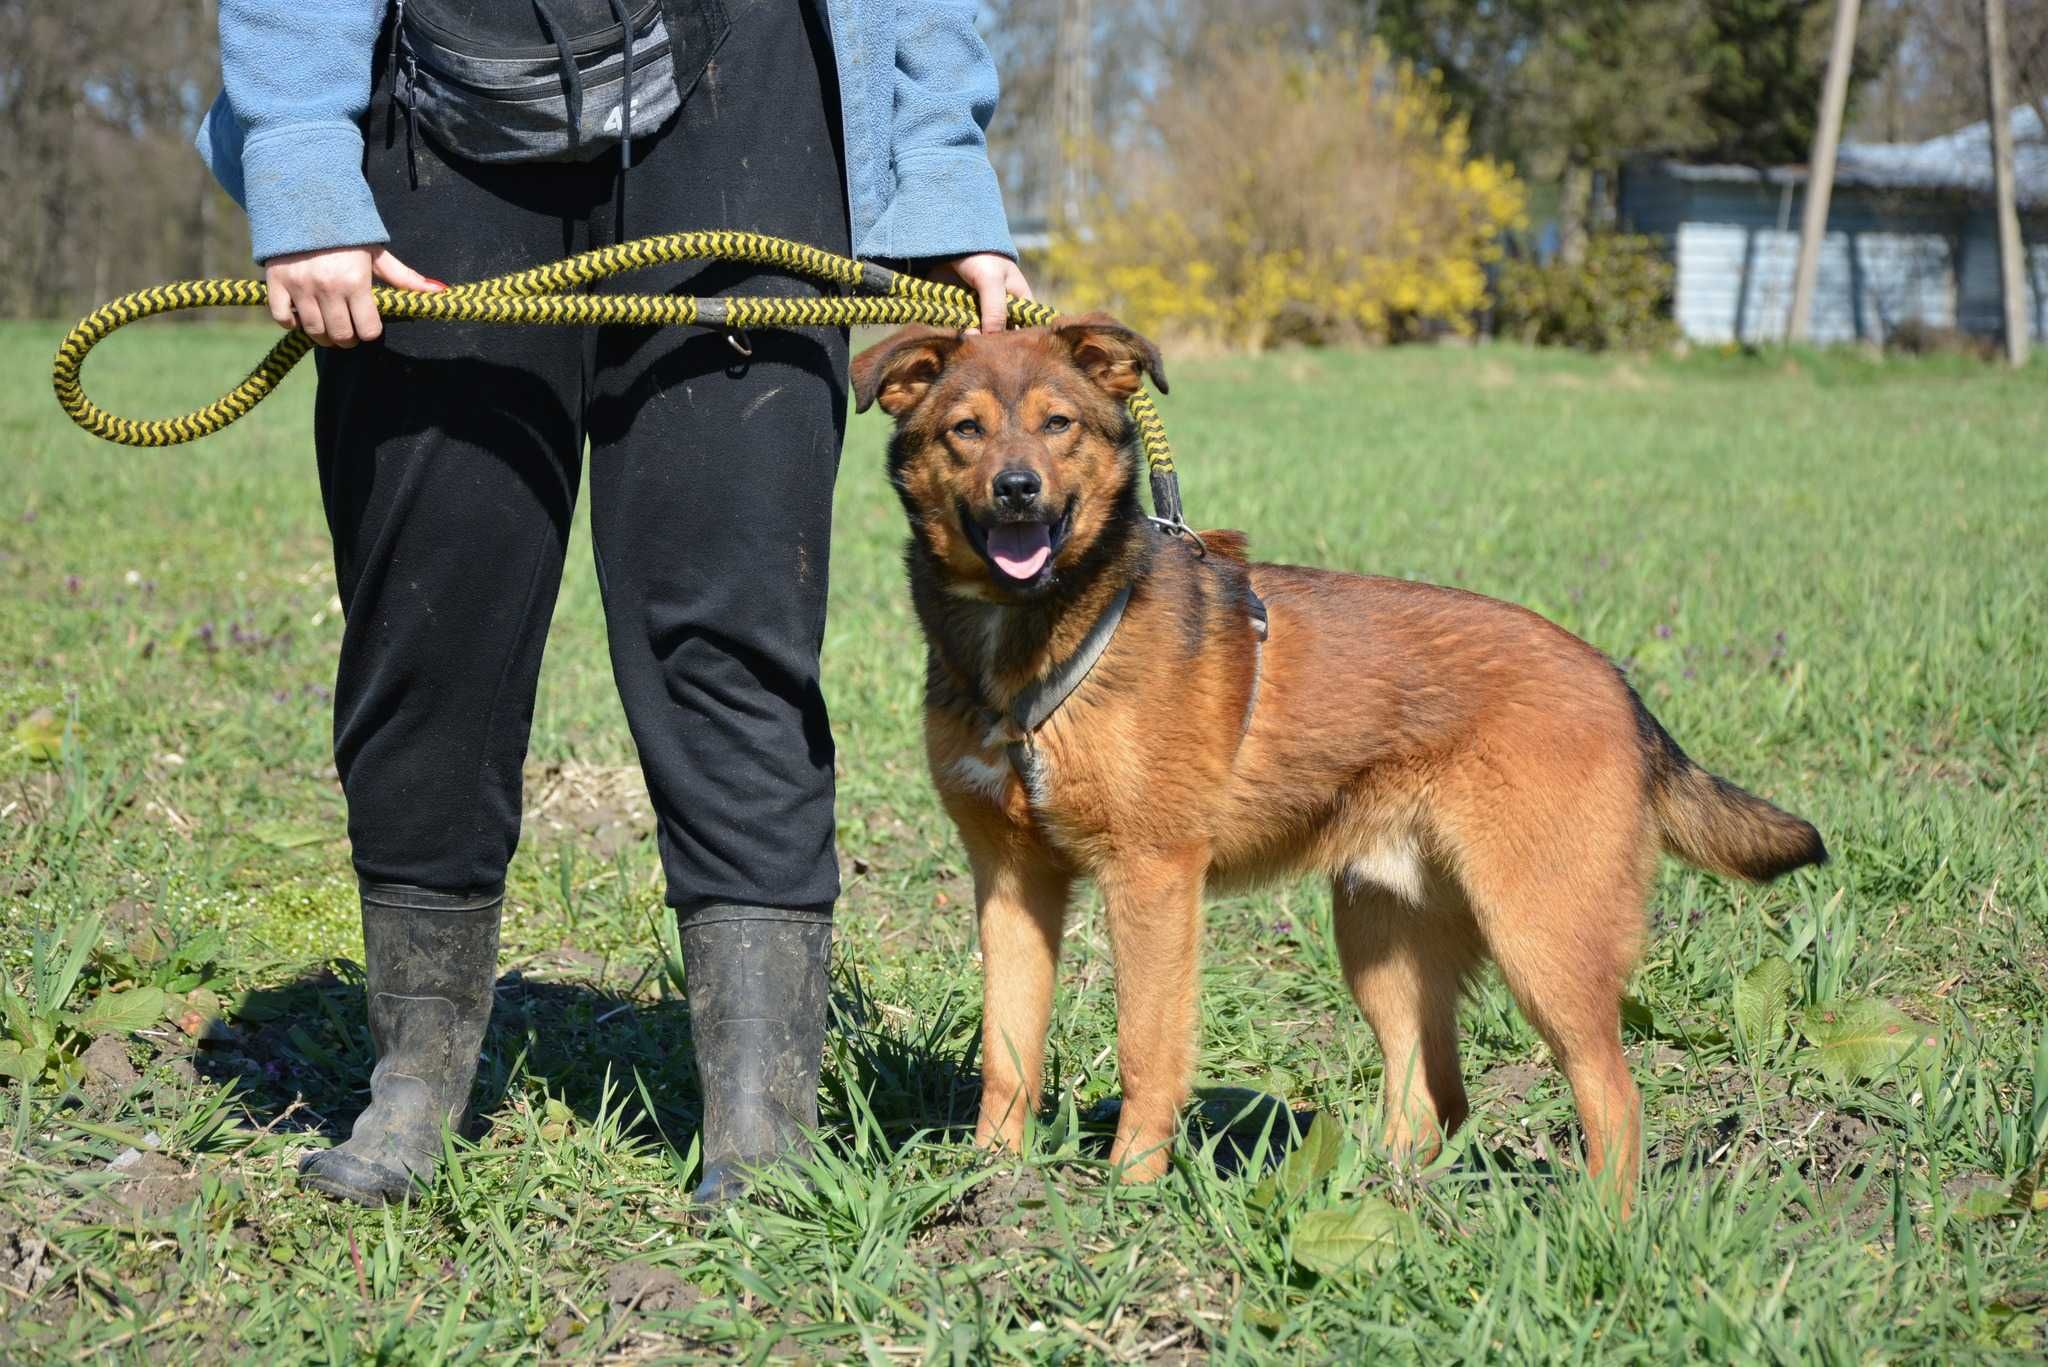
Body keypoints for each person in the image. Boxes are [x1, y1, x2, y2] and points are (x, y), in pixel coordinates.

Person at [196, 0, 1031, 1207]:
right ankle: (415, 1080)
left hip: (748, 99)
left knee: (735, 626)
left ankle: (762, 1123)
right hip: (437, 122)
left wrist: (941, 173)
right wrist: (300, 158)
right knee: (434, 622)